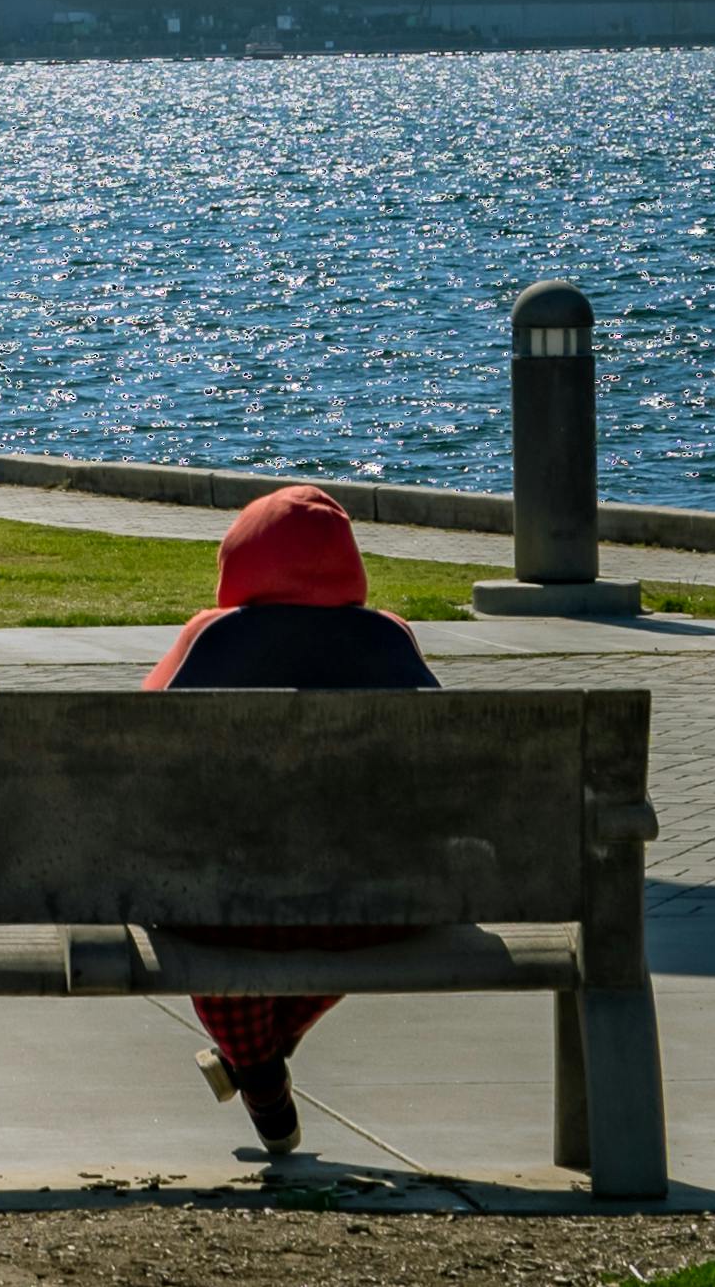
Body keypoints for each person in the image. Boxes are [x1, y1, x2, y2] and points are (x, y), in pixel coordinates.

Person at [142, 482, 440, 1159]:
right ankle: (261, 1066)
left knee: (215, 942)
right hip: (365, 908)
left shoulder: (209, 637)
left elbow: (139, 755)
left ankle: (258, 1076)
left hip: (225, 904)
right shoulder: (391, 640)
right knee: (350, 911)